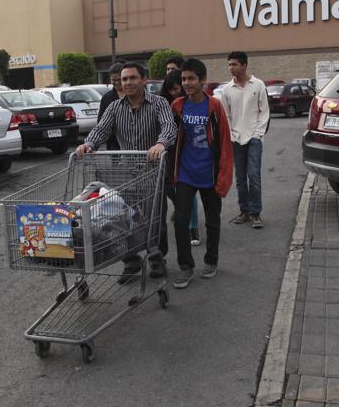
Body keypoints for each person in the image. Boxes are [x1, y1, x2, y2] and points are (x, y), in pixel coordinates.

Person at [75, 62, 177, 283]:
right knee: (122, 216)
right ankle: (130, 260)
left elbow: (169, 127)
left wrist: (160, 143)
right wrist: (89, 144)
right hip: (125, 173)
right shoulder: (115, 107)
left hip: (153, 171)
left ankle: (156, 258)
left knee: (153, 217)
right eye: (124, 79)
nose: (128, 83)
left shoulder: (158, 103)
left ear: (144, 80)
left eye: (132, 78)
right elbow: (101, 129)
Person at [170, 58, 233, 289]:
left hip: (209, 175)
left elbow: (225, 142)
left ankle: (211, 260)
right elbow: (171, 139)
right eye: (184, 79)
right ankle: (186, 266)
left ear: (202, 80)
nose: (186, 83)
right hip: (186, 174)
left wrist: (224, 177)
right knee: (180, 220)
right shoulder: (177, 105)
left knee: (213, 221)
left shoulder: (214, 106)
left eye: (191, 79)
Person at [216, 51, 270, 228]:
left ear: (244, 65)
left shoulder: (258, 85)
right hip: (236, 139)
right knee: (239, 177)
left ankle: (255, 213)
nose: (231, 68)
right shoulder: (227, 90)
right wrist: (231, 136)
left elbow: (264, 112)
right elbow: (226, 115)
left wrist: (258, 134)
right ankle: (244, 211)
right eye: (229, 64)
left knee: (253, 176)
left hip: (254, 138)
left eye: (234, 64)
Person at [159, 70, 201, 246]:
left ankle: (193, 227)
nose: (174, 93)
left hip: (186, 152)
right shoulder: (163, 104)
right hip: (168, 152)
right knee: (168, 187)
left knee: (188, 191)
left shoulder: (189, 104)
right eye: (170, 90)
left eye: (176, 89)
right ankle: (180, 210)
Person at [96, 61, 125, 150]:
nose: (116, 82)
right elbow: (100, 123)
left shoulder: (133, 94)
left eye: (119, 79)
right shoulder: (107, 97)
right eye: (113, 80)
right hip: (113, 143)